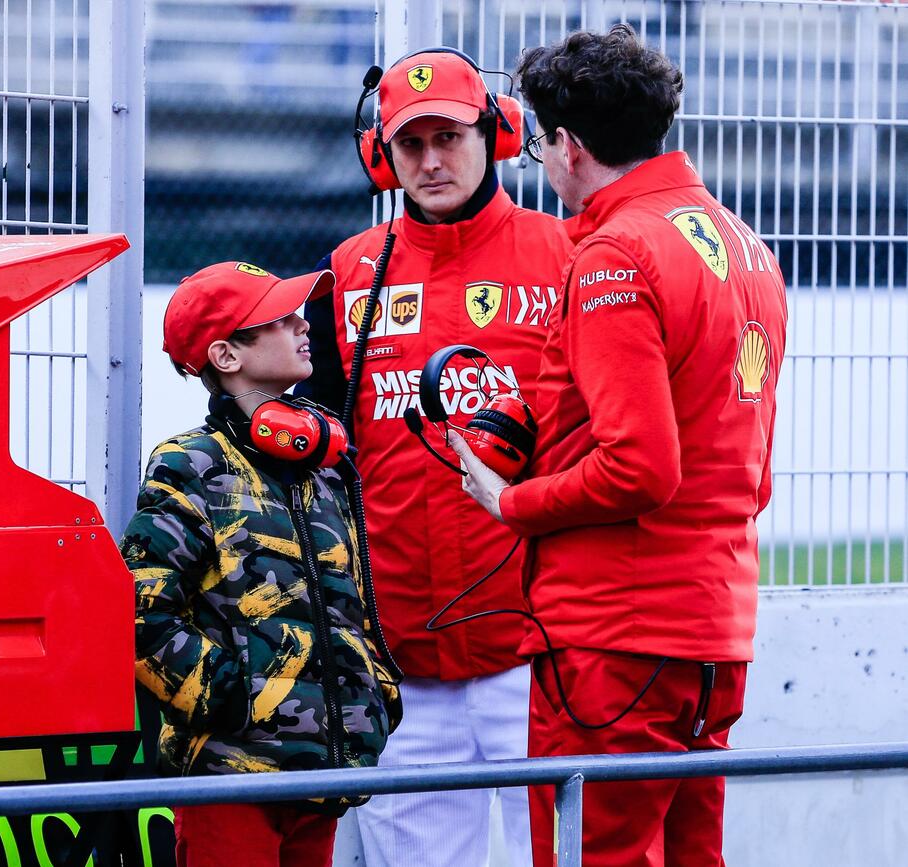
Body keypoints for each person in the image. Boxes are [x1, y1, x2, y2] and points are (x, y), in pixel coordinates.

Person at [447, 24, 788, 866]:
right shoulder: (745, 245)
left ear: (568, 143)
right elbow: (749, 469)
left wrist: (511, 500)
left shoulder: (616, 252)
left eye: (537, 141)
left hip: (614, 636)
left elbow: (641, 465)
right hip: (713, 633)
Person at [297, 47, 572, 867]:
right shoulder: (346, 274)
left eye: (448, 137)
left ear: (498, 134)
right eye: (409, 142)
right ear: (381, 152)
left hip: (536, 649)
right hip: (400, 657)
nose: (429, 161)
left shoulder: (572, 255)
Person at [122, 261, 402, 867]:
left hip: (323, 775)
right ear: (226, 356)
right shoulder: (191, 467)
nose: (306, 326)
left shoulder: (323, 469)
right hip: (232, 782)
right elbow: (138, 615)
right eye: (281, 319)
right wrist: (237, 702)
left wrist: (374, 695)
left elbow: (351, 604)